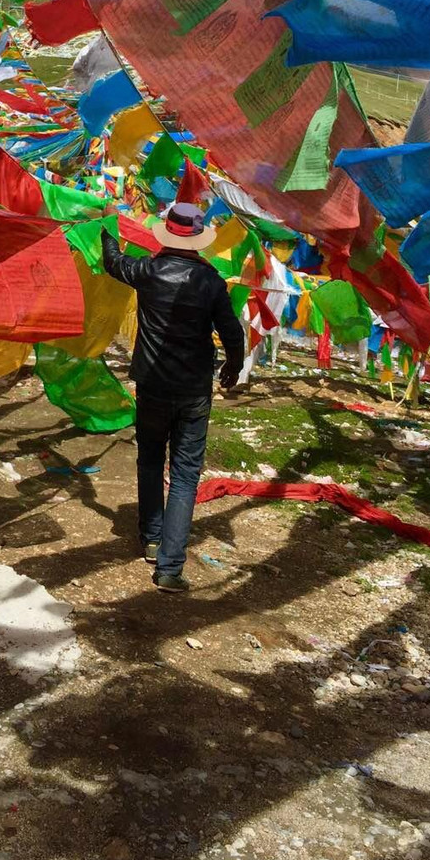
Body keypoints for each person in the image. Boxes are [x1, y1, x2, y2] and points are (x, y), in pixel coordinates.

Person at [101, 201, 245, 593]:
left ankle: (151, 537)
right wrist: (233, 365)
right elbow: (232, 331)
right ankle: (169, 568)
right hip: (194, 388)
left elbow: (114, 262)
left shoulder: (148, 271)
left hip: (152, 382)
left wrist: (108, 224)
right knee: (184, 475)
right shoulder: (212, 283)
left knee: (149, 460)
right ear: (198, 240)